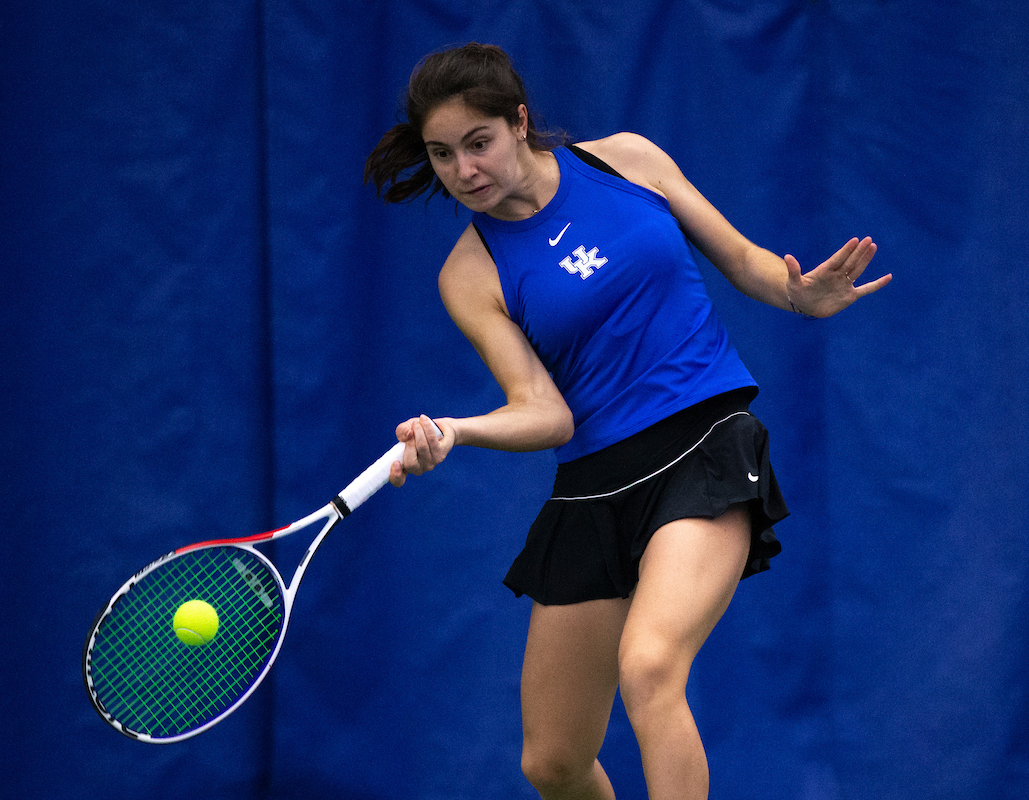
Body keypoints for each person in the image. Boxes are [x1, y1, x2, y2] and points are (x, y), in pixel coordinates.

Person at [364, 43, 889, 800]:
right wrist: (458, 430)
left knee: (649, 667)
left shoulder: (626, 162)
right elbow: (545, 413)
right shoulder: (468, 274)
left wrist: (799, 293)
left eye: (478, 144)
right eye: (443, 155)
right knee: (553, 762)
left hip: (703, 446)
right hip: (595, 489)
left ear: (518, 123)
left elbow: (743, 260)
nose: (464, 171)